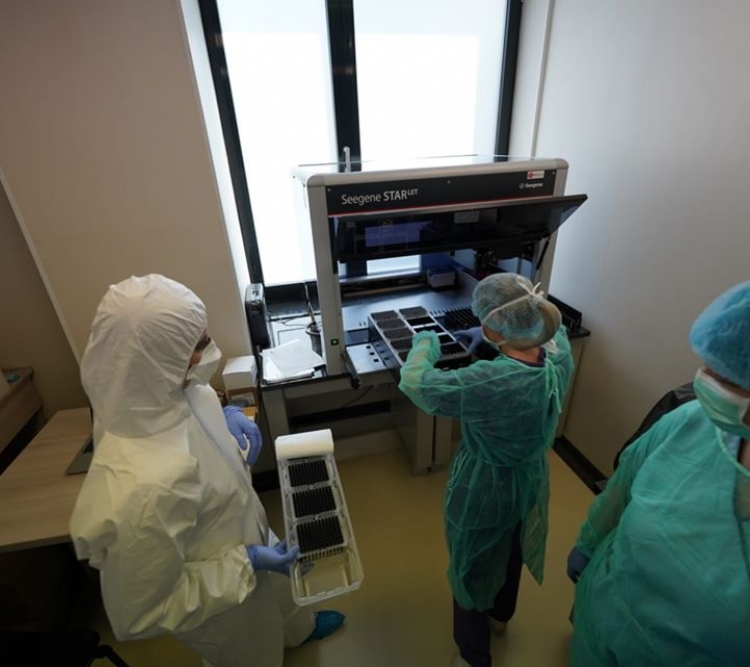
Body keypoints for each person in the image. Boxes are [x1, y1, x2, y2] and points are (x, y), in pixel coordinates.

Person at [69, 274, 343, 667]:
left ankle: (300, 629)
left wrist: (228, 416)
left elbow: (200, 458)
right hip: (222, 600)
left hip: (246, 532)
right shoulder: (139, 491)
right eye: (198, 345)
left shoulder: (177, 390)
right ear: (153, 359)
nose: (211, 350)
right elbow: (144, 612)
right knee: (255, 651)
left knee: (284, 597)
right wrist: (246, 562)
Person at [566, 279, 750, 666]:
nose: (704, 378)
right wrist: (589, 542)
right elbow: (621, 488)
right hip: (602, 612)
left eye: (728, 379)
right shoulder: (691, 421)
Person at [398, 272, 575, 667]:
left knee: (473, 564)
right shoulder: (559, 356)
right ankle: (500, 617)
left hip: (485, 486)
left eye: (484, 320)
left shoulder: (489, 382)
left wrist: (424, 344)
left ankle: (473, 656)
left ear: (496, 325)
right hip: (528, 478)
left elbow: (418, 384)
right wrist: (501, 338)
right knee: (511, 549)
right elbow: (553, 333)